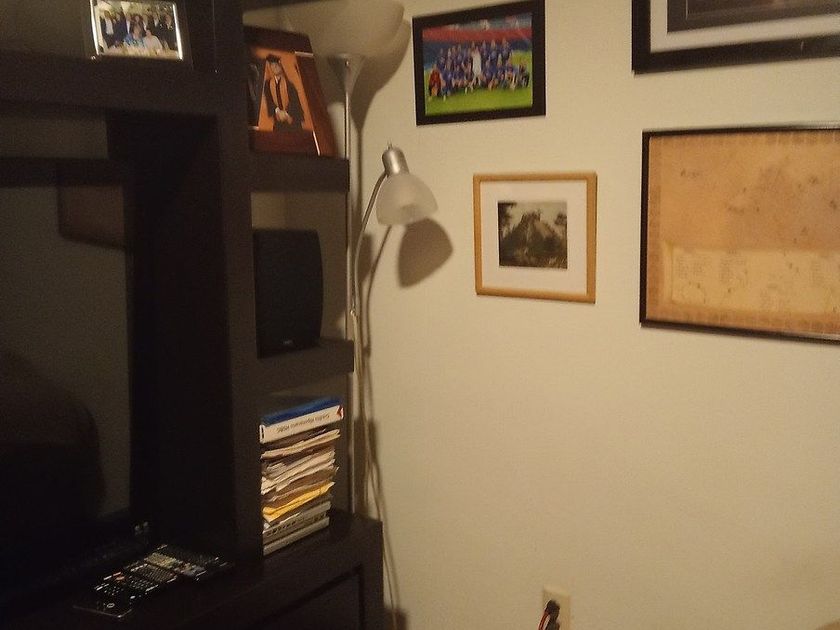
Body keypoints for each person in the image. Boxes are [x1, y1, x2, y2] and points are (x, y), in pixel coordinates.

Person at [263, 54, 304, 132]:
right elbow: (269, 100)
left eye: (276, 64)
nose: (275, 67)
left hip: (292, 120)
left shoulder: (290, 83)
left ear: (281, 65)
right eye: (272, 65)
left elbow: (295, 101)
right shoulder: (268, 84)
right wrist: (278, 111)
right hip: (278, 121)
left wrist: (285, 113)